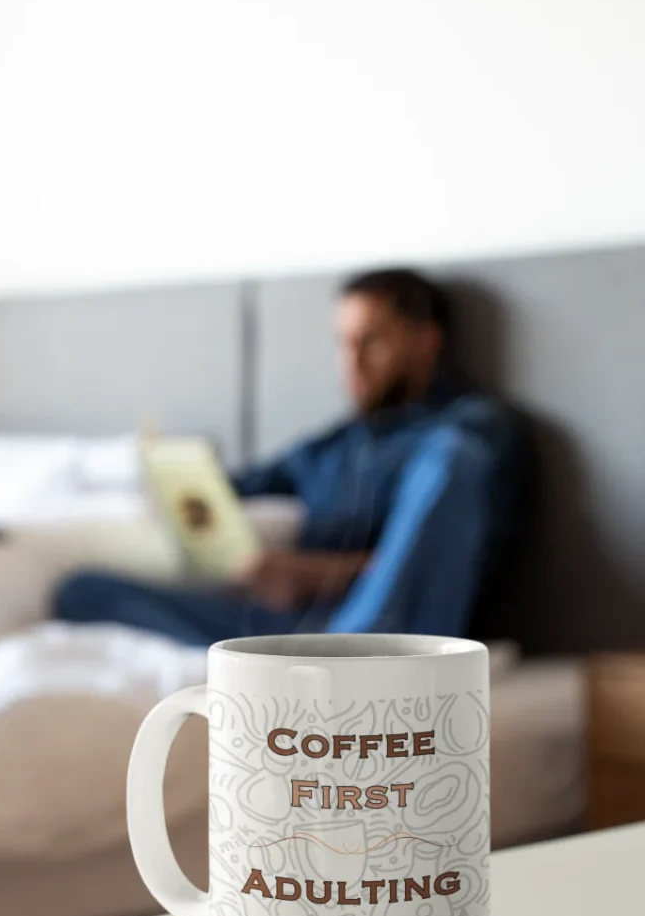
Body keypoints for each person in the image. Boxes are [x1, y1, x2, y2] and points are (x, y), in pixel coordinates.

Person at [53, 269, 528, 644]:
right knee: (82, 591)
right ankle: (309, 658)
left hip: (400, 633)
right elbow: (228, 488)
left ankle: (356, 656)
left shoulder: (471, 433)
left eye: (373, 342)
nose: (352, 364)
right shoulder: (330, 447)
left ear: (427, 341)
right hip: (297, 626)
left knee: (452, 459)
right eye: (344, 343)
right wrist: (163, 476)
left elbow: (455, 560)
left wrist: (313, 573)